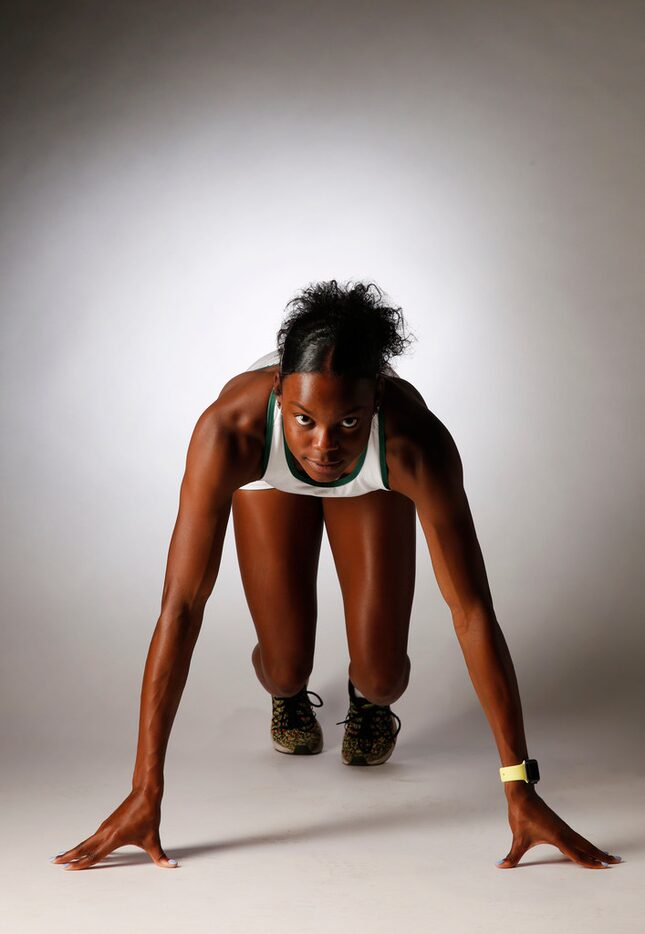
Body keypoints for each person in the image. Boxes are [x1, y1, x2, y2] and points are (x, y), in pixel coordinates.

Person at [52, 280, 621, 871]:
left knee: (381, 677)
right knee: (285, 663)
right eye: (304, 419)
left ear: (377, 399)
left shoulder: (413, 442)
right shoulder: (231, 432)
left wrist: (519, 785)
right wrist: (147, 789)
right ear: (277, 392)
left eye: (348, 422)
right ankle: (288, 695)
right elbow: (181, 607)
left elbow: (472, 610)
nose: (323, 447)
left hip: (371, 480)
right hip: (270, 477)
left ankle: (367, 702)